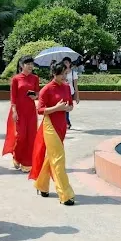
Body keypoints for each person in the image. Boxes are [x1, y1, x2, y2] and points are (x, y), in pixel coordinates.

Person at [29, 62, 75, 205]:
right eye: (61, 74)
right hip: (50, 126)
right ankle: (65, 194)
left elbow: (70, 105)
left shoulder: (67, 87)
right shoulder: (46, 90)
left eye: (66, 74)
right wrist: (56, 107)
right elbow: (40, 110)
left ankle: (41, 184)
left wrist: (67, 108)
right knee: (59, 159)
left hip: (62, 125)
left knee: (52, 157)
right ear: (54, 74)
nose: (64, 76)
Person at [2, 55, 40, 171]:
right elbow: (13, 97)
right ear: (21, 65)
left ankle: (27, 162)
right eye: (27, 64)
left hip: (31, 111)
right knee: (21, 136)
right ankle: (17, 156)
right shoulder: (16, 79)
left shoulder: (35, 78)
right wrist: (14, 111)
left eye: (31, 64)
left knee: (31, 136)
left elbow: (38, 93)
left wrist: (35, 96)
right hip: (19, 111)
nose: (30, 66)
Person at [63, 57, 79, 130]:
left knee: (67, 108)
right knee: (62, 108)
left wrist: (77, 97)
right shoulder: (61, 72)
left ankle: (67, 122)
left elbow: (75, 86)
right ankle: (66, 122)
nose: (65, 64)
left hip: (70, 92)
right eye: (64, 62)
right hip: (62, 92)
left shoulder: (73, 73)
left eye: (67, 62)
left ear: (70, 63)